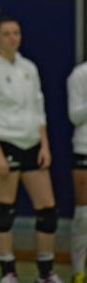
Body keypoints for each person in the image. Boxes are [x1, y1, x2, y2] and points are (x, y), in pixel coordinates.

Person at [0, 17, 62, 283]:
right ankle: (8, 271)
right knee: (5, 210)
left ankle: (46, 272)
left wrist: (44, 144)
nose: (13, 37)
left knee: (47, 210)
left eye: (16, 33)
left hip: (32, 143)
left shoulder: (29, 68)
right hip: (6, 143)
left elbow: (38, 108)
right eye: (6, 33)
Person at [68, 61, 87, 283]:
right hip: (84, 148)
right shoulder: (79, 75)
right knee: (84, 214)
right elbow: (75, 116)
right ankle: (78, 271)